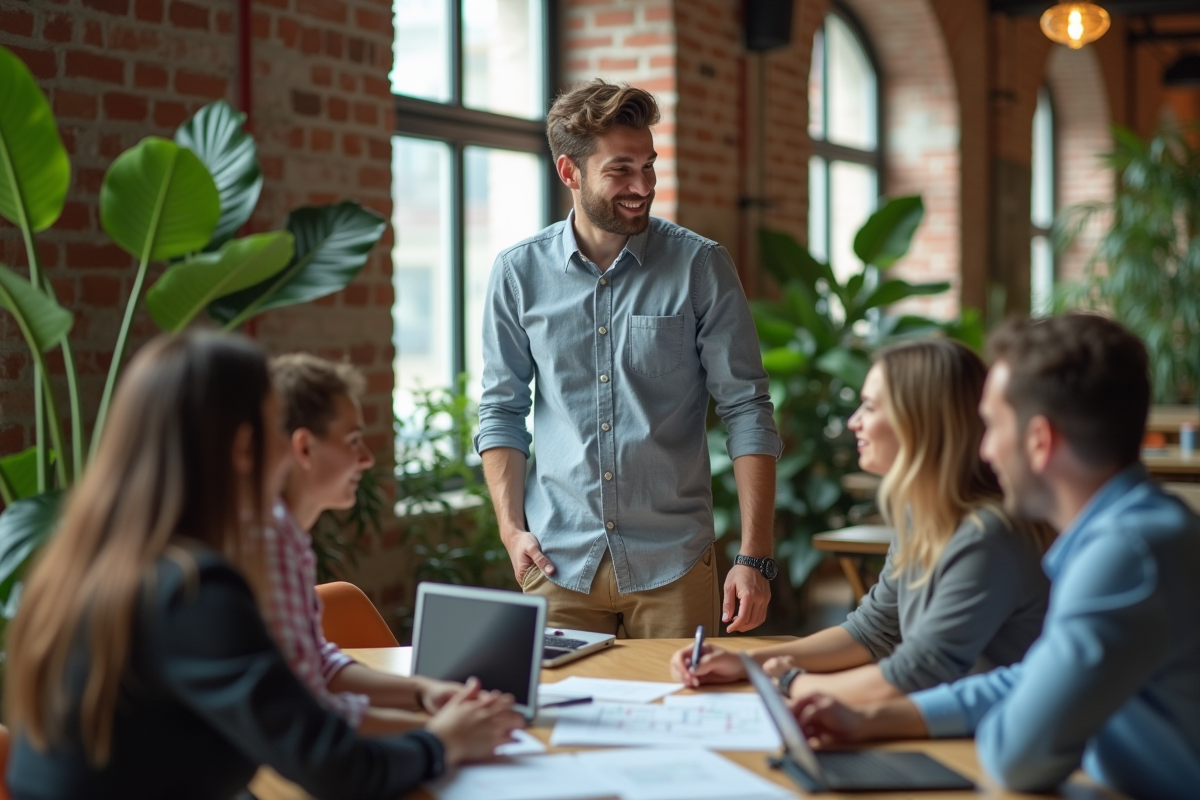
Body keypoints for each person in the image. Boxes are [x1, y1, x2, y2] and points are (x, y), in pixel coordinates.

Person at [6, 333, 522, 800]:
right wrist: (440, 743)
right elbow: (333, 766)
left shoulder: (89, 562)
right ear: (243, 447)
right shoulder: (193, 590)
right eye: (277, 426)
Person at [792, 314, 1200, 800]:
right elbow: (1031, 679)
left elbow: (1017, 758)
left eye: (991, 425)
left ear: (1040, 442)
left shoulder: (1124, 556)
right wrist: (876, 718)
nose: (983, 450)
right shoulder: (1125, 532)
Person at [475, 79, 783, 639]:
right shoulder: (518, 274)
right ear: (570, 172)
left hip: (675, 566)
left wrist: (754, 556)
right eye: (620, 170)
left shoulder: (700, 266)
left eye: (649, 166)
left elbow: (747, 409)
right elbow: (501, 410)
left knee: (681, 720)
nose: (642, 186)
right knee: (555, 723)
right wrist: (510, 530)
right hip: (555, 564)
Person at [671, 338, 1051, 704]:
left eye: (869, 407)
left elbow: (917, 672)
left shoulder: (987, 536)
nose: (854, 422)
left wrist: (790, 681)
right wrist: (745, 663)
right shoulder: (923, 516)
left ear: (919, 421)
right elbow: (873, 631)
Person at [267, 353, 460, 733]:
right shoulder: (266, 548)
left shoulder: (285, 535)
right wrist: (438, 735)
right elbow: (307, 713)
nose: (367, 459)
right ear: (304, 448)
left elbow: (318, 664)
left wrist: (422, 691)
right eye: (354, 441)